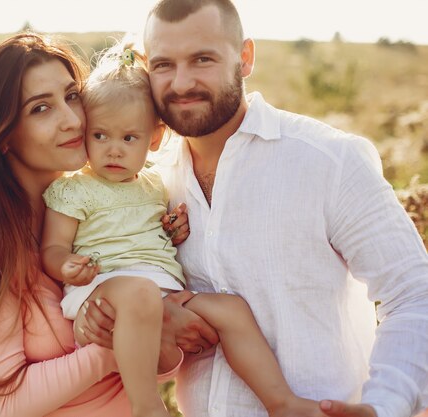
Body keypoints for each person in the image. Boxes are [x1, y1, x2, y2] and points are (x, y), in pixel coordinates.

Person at [139, 0, 428, 416]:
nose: (181, 83)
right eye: (164, 65)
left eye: (202, 59)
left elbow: (413, 293)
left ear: (245, 57)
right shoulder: (149, 182)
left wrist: (385, 405)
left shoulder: (329, 161)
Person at [41, 41, 329, 417]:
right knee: (139, 293)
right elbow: (52, 248)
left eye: (129, 138)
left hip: (160, 294)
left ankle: (282, 402)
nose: (113, 150)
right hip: (101, 294)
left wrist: (173, 230)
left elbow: (157, 234)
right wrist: (65, 265)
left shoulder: (155, 185)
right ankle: (147, 407)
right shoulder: (75, 188)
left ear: (154, 138)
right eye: (100, 136)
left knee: (231, 309)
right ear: (85, 133)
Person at [0, 32, 186, 417]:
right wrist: (113, 342)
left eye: (72, 96)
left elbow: (157, 371)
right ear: (2, 135)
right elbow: (10, 402)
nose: (72, 120)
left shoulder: (94, 198)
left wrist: (152, 329)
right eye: (41, 109)